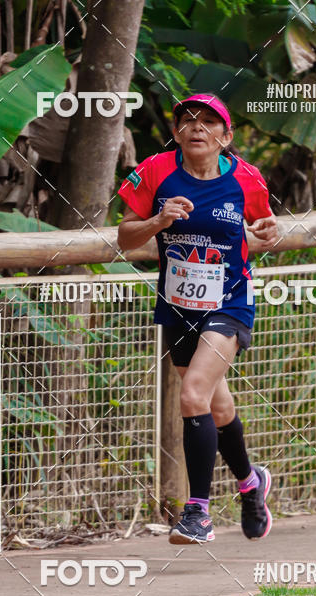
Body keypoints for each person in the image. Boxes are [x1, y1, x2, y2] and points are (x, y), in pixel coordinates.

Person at [117, 93, 278, 544]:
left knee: (191, 395)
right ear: (176, 133)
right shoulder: (155, 171)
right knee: (216, 405)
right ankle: (251, 484)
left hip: (229, 302)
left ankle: (198, 513)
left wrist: (269, 231)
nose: (197, 128)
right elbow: (126, 237)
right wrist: (157, 221)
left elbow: (265, 228)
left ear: (225, 137)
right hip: (178, 305)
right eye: (188, 120)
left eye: (209, 122)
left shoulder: (246, 178)